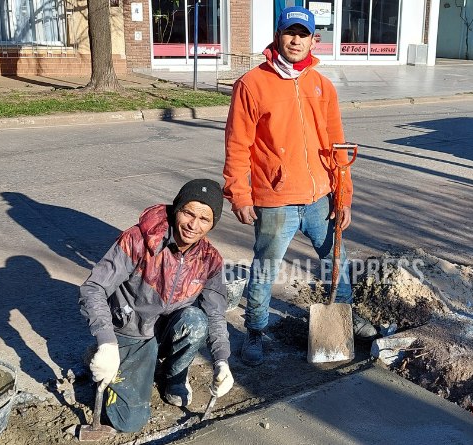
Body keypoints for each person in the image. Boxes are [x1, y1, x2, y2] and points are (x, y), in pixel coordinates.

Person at [223, 6, 377, 367]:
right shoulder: (252, 84)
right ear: (278, 35)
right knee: (265, 268)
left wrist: (344, 196)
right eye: (290, 32)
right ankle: (256, 330)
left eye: (303, 34)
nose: (296, 40)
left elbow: (338, 145)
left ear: (313, 39)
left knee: (336, 260)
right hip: (275, 200)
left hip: (320, 198)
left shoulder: (321, 86)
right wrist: (239, 194)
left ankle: (344, 318)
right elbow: (237, 144)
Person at [79, 179, 234, 433]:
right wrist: (106, 342)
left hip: (164, 330)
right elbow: (93, 288)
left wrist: (222, 361)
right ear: (176, 210)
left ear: (212, 224)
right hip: (132, 331)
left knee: (197, 321)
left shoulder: (209, 259)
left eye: (205, 219)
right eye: (188, 213)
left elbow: (216, 314)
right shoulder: (139, 239)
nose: (194, 225)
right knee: (128, 421)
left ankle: (172, 378)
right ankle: (99, 356)